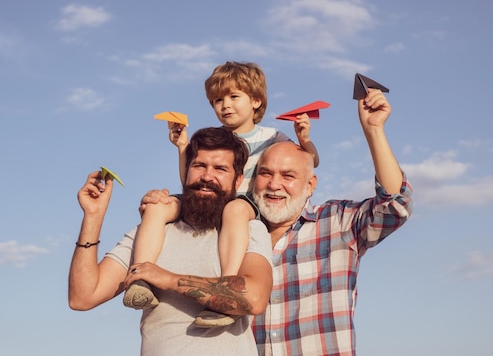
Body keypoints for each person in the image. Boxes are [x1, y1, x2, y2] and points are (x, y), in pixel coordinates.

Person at [142, 87, 414, 355]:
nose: (274, 185)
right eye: (265, 173)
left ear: (310, 185)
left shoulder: (337, 224)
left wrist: (373, 130)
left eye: (288, 176)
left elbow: (395, 206)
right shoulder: (232, 235)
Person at [127, 61, 320, 327]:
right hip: (207, 198)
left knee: (235, 209)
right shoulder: (212, 138)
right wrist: (183, 146)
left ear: (255, 101)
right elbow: (189, 180)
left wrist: (304, 139)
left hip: (243, 203)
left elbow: (310, 161)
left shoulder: (273, 137)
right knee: (157, 206)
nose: (224, 105)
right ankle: (140, 278)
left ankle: (226, 289)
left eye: (233, 97)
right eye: (217, 100)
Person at [69, 127, 273, 355]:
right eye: (199, 166)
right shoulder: (152, 231)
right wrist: (93, 216)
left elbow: (254, 298)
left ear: (237, 181)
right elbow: (82, 297)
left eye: (220, 169)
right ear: (186, 171)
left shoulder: (249, 230)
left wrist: (165, 278)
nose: (207, 176)